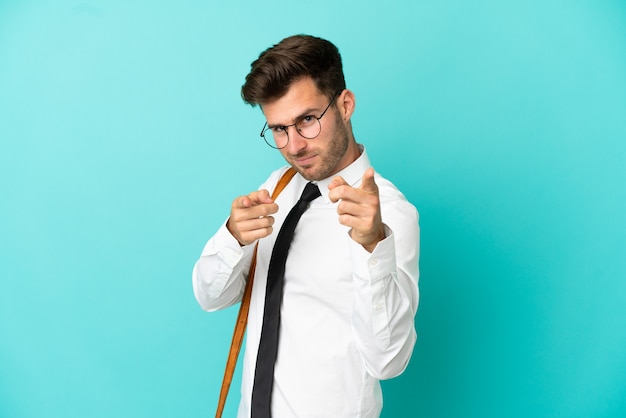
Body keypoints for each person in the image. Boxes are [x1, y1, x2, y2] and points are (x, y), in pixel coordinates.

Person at [192, 34, 419, 418]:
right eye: (279, 129)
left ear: (345, 105)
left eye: (307, 120)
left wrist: (372, 247)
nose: (294, 145)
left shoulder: (390, 215)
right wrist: (233, 236)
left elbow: (389, 362)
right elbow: (210, 297)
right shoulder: (276, 187)